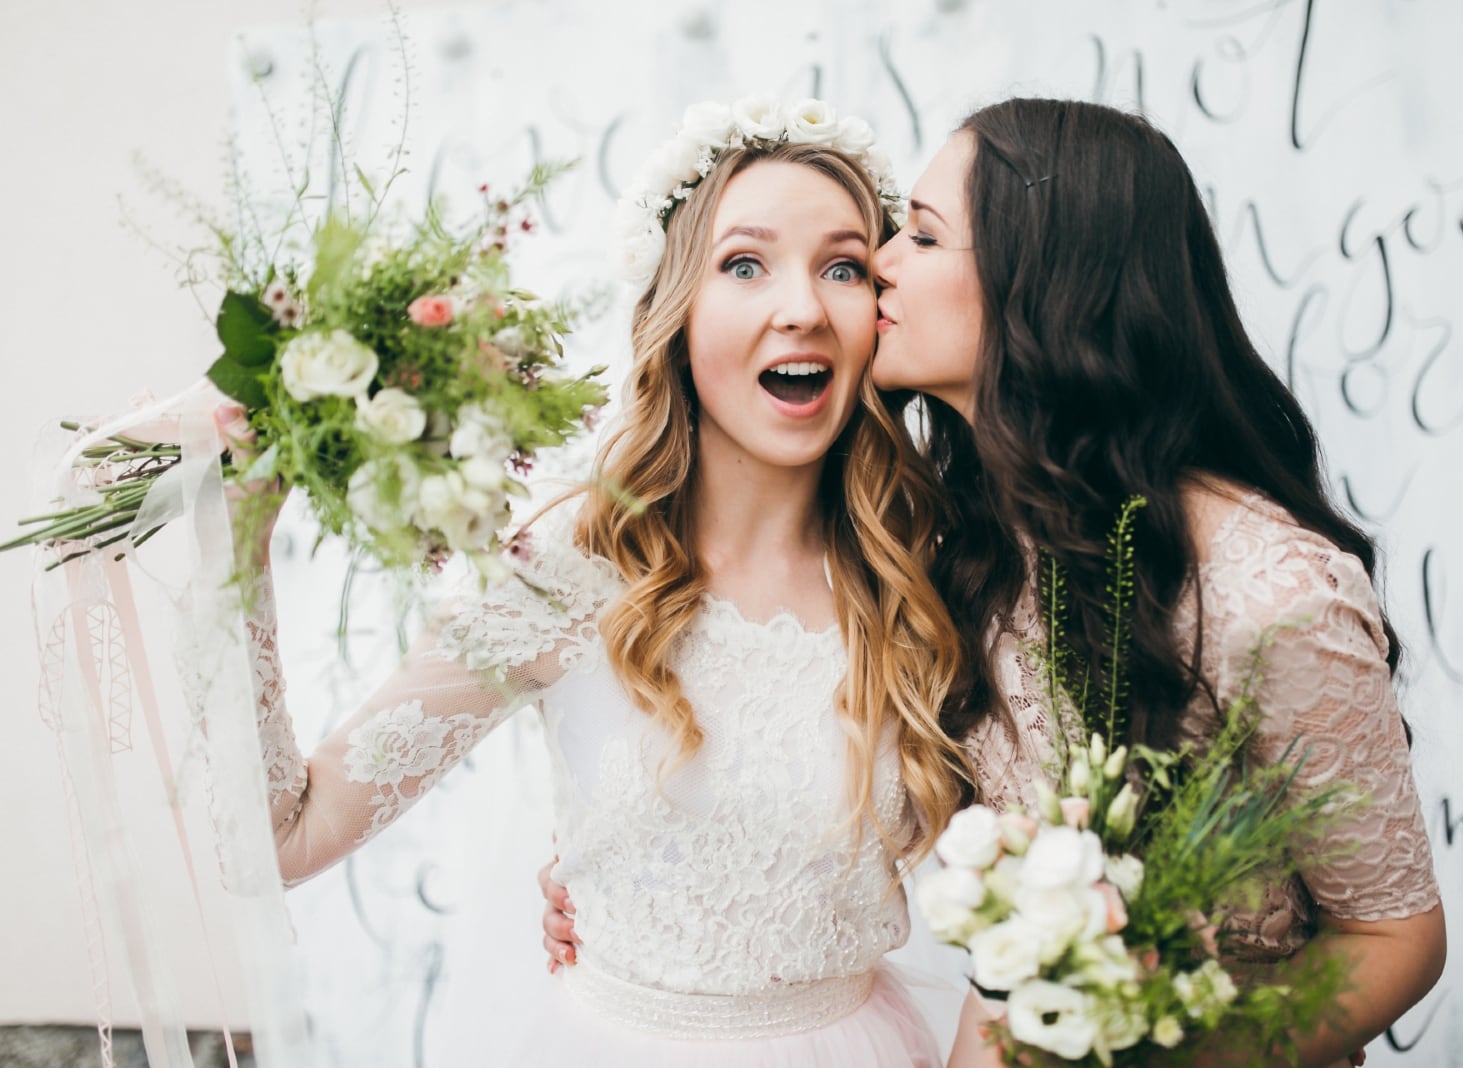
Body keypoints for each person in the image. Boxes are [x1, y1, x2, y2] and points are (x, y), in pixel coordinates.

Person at [542, 98, 1446, 1068]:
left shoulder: (1267, 592)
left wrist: (1140, 1054)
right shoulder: (959, 548)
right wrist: (634, 864)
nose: (880, 262)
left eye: (921, 237)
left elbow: (1398, 941)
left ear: (1045, 286)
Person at [240, 99, 968, 1065]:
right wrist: (243, 552)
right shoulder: (563, 579)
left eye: (842, 266)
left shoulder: (930, 573)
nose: (800, 307)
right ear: (677, 312)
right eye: (744, 264)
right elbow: (289, 837)